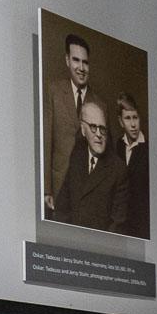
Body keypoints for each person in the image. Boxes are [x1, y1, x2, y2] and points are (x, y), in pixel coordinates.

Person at [52, 99, 128, 233]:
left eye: (102, 128)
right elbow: (62, 208)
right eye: (93, 127)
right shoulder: (77, 158)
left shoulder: (118, 169)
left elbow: (118, 225)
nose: (99, 134)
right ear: (83, 129)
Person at [44, 32, 92, 213]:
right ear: (67, 60)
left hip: (86, 191)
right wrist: (46, 188)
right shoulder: (53, 92)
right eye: (76, 60)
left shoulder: (99, 104)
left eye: (85, 62)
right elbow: (46, 141)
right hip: (58, 186)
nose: (81, 67)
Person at [113, 93, 149, 239]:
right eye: (128, 118)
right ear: (120, 121)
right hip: (120, 225)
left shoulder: (148, 149)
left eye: (135, 117)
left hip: (141, 226)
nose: (133, 124)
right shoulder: (118, 146)